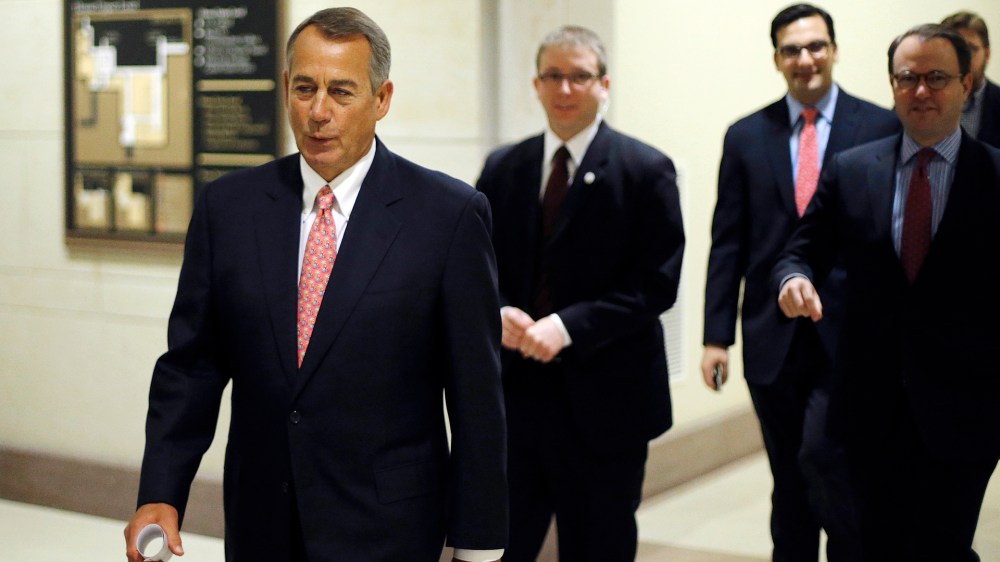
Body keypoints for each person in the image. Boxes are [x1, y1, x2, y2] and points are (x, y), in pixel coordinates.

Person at [123, 7, 507, 562]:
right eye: (304, 88)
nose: (318, 112)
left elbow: (476, 396)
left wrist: (478, 543)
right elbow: (193, 365)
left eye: (341, 92)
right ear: (284, 89)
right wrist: (161, 489)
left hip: (388, 527)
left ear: (381, 99)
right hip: (262, 524)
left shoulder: (446, 217)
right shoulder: (229, 209)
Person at [774, 23, 1000, 561]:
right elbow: (799, 250)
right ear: (892, 84)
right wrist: (794, 279)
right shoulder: (853, 170)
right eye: (907, 78)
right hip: (867, 407)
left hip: (964, 409)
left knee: (942, 546)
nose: (921, 91)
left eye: (937, 78)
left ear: (967, 85)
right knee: (869, 543)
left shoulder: (994, 176)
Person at [475, 25, 684, 562]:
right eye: (553, 76)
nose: (565, 89)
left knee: (599, 543)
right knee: (504, 542)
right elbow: (477, 266)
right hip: (517, 400)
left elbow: (655, 284)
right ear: (536, 84)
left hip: (606, 402)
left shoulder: (646, 170)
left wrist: (568, 326)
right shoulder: (504, 168)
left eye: (579, 77)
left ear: (603, 84)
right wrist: (496, 311)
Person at [701, 4, 898, 560]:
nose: (805, 59)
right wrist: (716, 337)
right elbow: (728, 243)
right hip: (772, 339)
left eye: (815, 46)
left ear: (834, 50)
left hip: (850, 338)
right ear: (776, 59)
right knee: (789, 481)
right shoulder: (744, 136)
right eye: (792, 49)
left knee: (828, 461)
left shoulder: (882, 126)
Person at [942, 11, 1000, 147]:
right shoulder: (919, 97)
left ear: (987, 54)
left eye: (970, 49)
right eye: (953, 50)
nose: (963, 58)